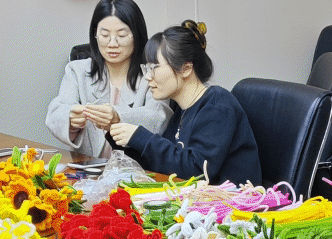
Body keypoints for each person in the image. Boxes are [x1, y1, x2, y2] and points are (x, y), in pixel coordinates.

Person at [110, 20, 262, 185]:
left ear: (186, 68)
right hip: (196, 197)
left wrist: (141, 137)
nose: (148, 76)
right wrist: (117, 133)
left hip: (232, 199)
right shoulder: (182, 110)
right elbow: (165, 164)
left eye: (154, 68)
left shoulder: (218, 106)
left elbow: (197, 171)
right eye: (146, 68)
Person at [43, 0, 164, 182]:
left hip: (139, 178)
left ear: (137, 35)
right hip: (87, 176)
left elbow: (159, 117)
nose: (112, 44)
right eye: (105, 35)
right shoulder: (77, 70)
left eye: (121, 36)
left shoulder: (151, 73)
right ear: (95, 34)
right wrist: (71, 119)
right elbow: (57, 110)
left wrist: (118, 117)